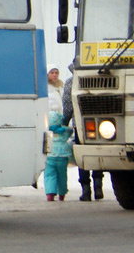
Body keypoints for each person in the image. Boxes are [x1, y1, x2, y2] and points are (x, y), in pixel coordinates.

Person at [62, 62, 105, 201]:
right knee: (98, 153)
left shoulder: (71, 81)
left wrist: (65, 121)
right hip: (101, 124)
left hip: (81, 125)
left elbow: (68, 104)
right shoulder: (98, 77)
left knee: (83, 157)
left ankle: (86, 190)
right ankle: (98, 187)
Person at [44, 111, 73, 202]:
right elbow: (71, 130)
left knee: (49, 175)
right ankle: (62, 194)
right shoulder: (65, 131)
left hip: (49, 155)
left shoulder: (46, 131)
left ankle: (50, 194)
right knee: (62, 176)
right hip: (63, 156)